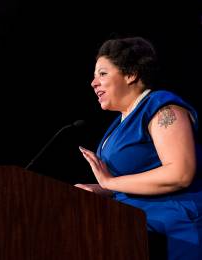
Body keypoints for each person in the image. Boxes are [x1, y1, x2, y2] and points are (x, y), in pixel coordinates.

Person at [75, 36, 202, 260]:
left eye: (102, 73)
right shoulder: (119, 123)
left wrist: (109, 183)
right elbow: (132, 180)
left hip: (173, 228)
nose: (93, 82)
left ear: (131, 74)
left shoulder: (161, 107)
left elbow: (179, 173)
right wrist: (99, 189)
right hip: (131, 224)